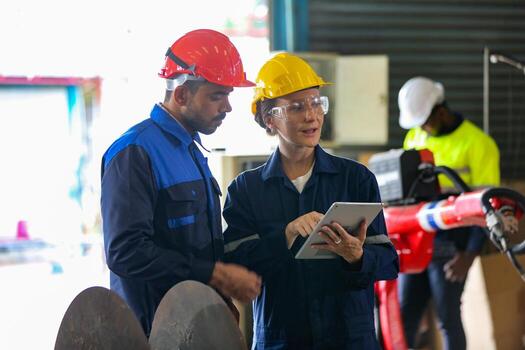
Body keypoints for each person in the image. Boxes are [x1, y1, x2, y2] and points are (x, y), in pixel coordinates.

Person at [222, 52, 399, 350]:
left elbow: (389, 262)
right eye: (296, 107)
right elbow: (235, 265)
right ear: (269, 119)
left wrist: (357, 257)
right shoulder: (246, 190)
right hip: (281, 339)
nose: (311, 115)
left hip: (349, 339)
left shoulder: (356, 180)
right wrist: (286, 235)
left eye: (317, 103)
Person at [100, 29, 262, 336]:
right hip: (152, 333)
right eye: (217, 96)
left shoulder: (189, 149)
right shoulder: (135, 152)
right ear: (182, 94)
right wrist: (215, 275)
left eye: (228, 95)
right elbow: (126, 251)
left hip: (192, 327)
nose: (227, 107)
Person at [397, 76, 500, 349]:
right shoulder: (415, 136)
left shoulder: (478, 143)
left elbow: (486, 206)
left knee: (448, 317)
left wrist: (469, 254)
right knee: (404, 313)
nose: (422, 128)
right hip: (417, 238)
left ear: (441, 112)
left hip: (452, 246)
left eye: (425, 121)